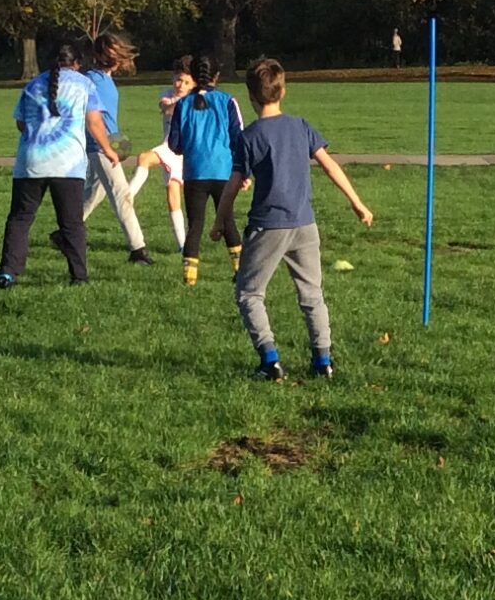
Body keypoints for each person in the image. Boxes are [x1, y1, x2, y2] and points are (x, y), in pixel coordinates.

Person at [219, 56, 373, 381]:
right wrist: (357, 202)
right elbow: (330, 165)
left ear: (250, 95)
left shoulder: (249, 137)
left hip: (267, 227)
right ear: (283, 91)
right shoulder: (301, 127)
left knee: (249, 293)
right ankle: (323, 361)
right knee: (312, 294)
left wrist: (220, 220)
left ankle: (269, 361)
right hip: (305, 224)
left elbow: (233, 184)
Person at [0, 43, 105, 288]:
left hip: (30, 161)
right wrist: (109, 149)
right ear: (77, 63)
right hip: (67, 164)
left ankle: (8, 271)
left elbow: (21, 124)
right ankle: (79, 276)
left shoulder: (32, 84)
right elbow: (94, 122)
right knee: (71, 223)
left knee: (20, 219)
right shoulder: (85, 84)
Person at [164, 57, 248, 287]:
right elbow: (238, 138)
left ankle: (190, 278)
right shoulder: (227, 101)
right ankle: (240, 271)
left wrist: (191, 147)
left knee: (195, 225)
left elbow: (174, 144)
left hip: (194, 173)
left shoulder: (182, 104)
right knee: (227, 221)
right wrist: (244, 172)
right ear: (217, 76)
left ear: (193, 76)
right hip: (223, 172)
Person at [73, 31, 152, 264]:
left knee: (94, 193)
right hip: (101, 146)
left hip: (109, 144)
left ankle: (66, 231)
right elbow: (90, 117)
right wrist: (107, 146)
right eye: (112, 53)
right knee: (122, 194)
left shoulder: (105, 79)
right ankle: (138, 249)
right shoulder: (92, 80)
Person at [127, 55, 196, 252]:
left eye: (186, 82)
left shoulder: (196, 99)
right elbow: (166, 108)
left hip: (183, 152)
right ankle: (128, 196)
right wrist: (182, 102)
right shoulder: (168, 95)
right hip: (169, 146)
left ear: (194, 84)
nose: (180, 85)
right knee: (145, 159)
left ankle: (183, 246)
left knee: (173, 195)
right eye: (178, 79)